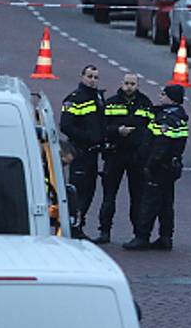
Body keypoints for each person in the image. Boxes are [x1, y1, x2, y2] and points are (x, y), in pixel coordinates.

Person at [124, 84, 189, 251]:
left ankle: (142, 236)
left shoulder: (165, 119)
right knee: (166, 203)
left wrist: (150, 164)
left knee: (149, 202)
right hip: (171, 167)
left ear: (171, 98)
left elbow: (161, 145)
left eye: (163, 94)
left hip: (159, 168)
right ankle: (165, 237)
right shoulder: (180, 117)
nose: (160, 97)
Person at [95, 73, 152, 245]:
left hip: (137, 157)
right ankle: (104, 231)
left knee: (138, 197)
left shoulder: (145, 103)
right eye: (127, 83)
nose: (129, 87)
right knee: (108, 196)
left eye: (132, 84)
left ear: (137, 85)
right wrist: (117, 131)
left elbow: (151, 129)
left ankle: (139, 234)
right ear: (122, 84)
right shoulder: (111, 102)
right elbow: (102, 127)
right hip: (115, 154)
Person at [59, 65, 105, 238]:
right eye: (89, 76)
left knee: (90, 190)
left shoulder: (98, 98)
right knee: (78, 191)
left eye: (95, 77)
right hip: (80, 152)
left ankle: (79, 225)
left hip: (93, 153)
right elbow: (66, 125)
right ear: (82, 77)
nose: (92, 80)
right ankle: (73, 227)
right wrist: (87, 138)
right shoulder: (75, 98)